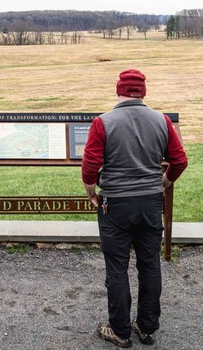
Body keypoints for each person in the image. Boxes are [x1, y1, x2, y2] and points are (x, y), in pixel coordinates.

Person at [82, 69, 188, 348]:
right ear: (144, 92)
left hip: (115, 202)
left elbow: (91, 165)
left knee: (117, 268)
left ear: (118, 91)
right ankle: (147, 325)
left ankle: (120, 330)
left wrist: (91, 192)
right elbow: (180, 161)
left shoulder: (103, 122)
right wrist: (163, 183)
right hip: (151, 202)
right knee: (150, 264)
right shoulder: (162, 121)